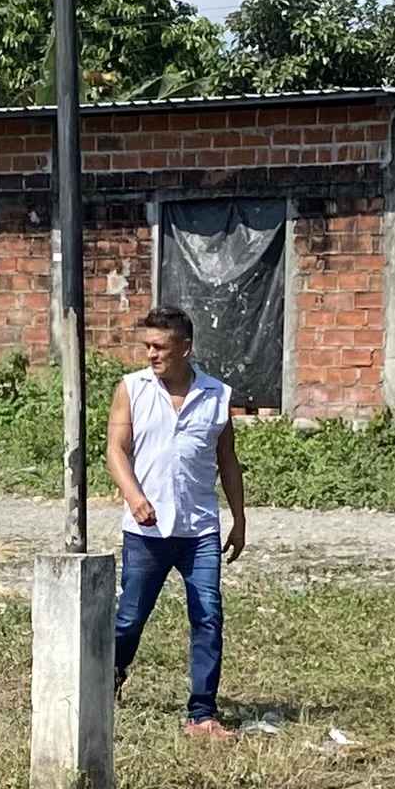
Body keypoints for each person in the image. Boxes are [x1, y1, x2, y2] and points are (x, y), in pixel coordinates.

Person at [104, 303, 245, 739]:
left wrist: (239, 518)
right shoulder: (131, 389)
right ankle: (109, 677)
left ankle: (202, 714)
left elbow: (228, 460)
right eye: (147, 345)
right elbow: (115, 450)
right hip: (146, 530)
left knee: (208, 616)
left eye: (160, 346)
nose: (151, 354)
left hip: (199, 530)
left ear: (185, 347)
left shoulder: (216, 396)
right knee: (130, 617)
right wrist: (134, 496)